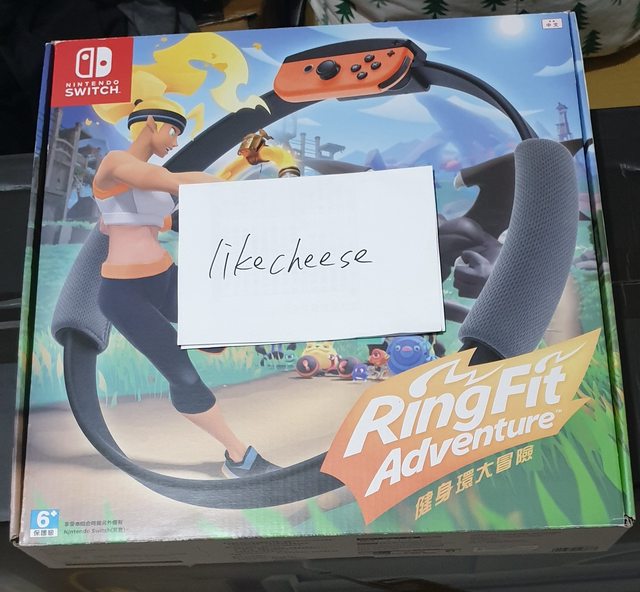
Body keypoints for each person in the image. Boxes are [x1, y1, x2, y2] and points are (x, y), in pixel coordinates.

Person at [92, 97, 276, 478]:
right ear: (150, 123)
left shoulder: (152, 184)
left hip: (165, 276)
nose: (175, 142)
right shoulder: (115, 164)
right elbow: (174, 182)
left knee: (223, 324)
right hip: (125, 294)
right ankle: (239, 457)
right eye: (173, 131)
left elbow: (172, 218)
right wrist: (223, 187)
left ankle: (203, 336)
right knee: (184, 376)